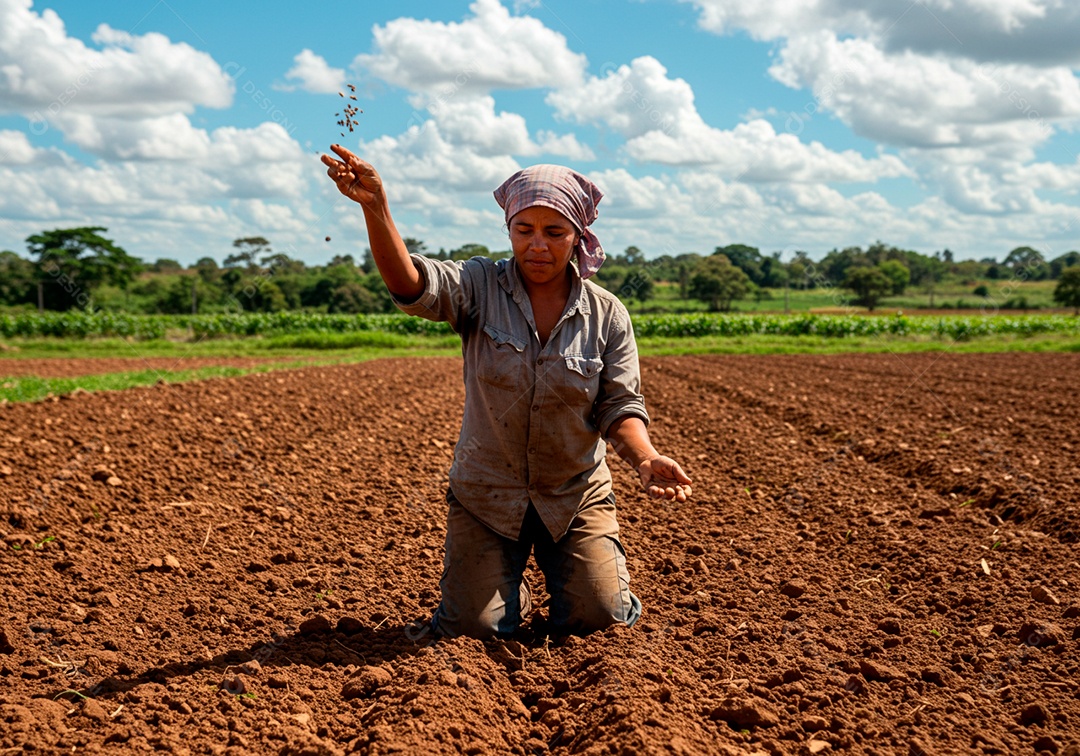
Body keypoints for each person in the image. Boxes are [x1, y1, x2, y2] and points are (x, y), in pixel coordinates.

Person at [322, 145, 692, 638]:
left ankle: (582, 581)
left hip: (573, 496)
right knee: (473, 630)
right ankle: (498, 589)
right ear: (509, 230)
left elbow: (618, 405)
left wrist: (644, 456)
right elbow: (410, 284)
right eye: (524, 230)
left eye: (554, 232)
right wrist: (376, 207)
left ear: (579, 235)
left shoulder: (607, 314)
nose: (537, 244)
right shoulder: (478, 286)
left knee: (598, 620)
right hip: (487, 496)